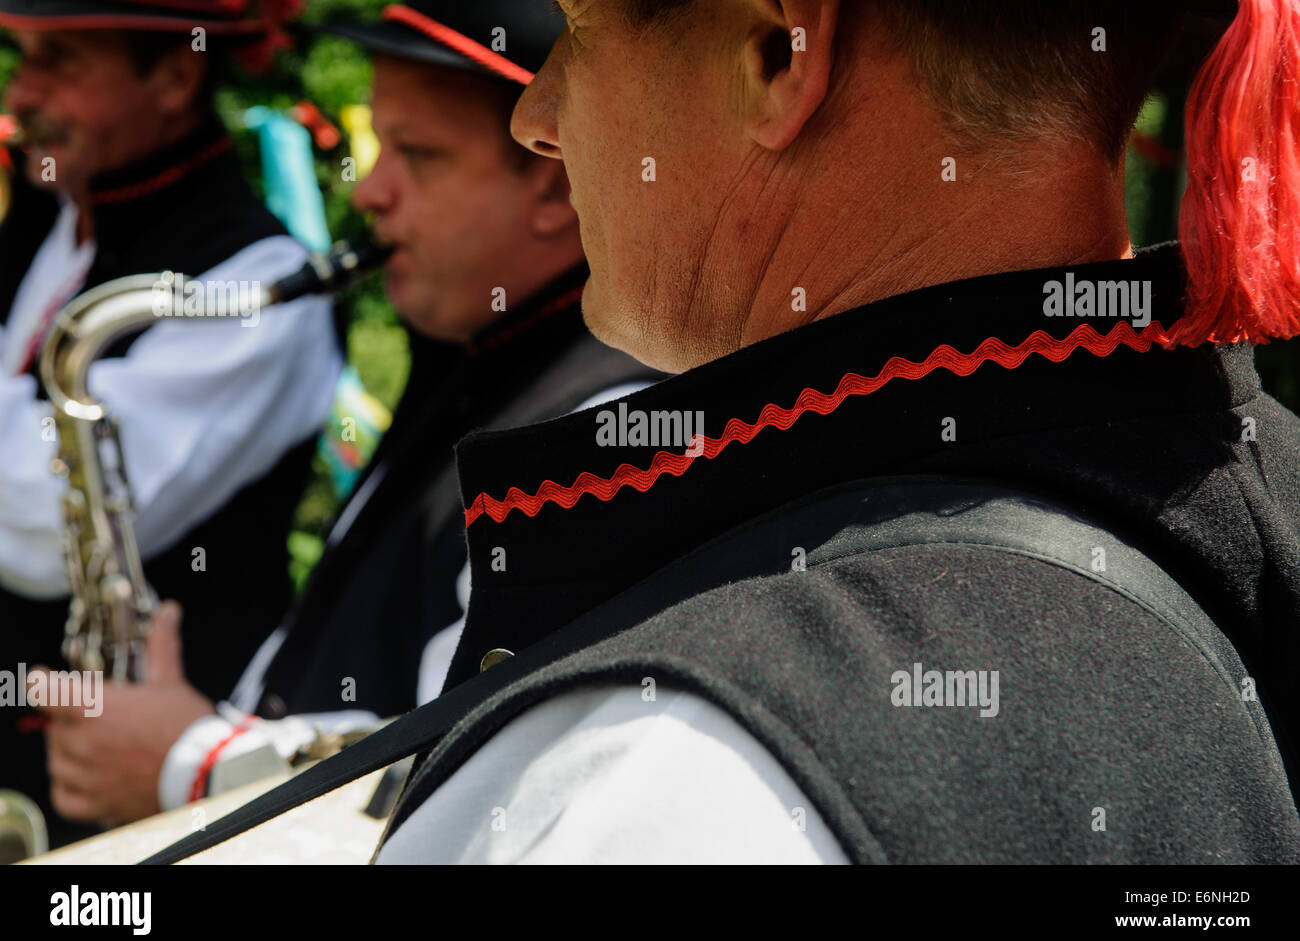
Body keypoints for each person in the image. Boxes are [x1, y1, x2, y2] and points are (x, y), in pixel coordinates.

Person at [371, 0, 1300, 863]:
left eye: (578, 24)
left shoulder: (669, 771)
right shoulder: (1265, 493)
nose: (535, 113)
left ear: (782, 52)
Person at [34, 0, 657, 831]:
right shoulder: (471, 355)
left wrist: (194, 760)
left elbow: (479, 773)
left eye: (417, 155)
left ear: (554, 182)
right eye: (376, 144)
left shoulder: (596, 424)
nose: (368, 193)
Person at [0, 0, 339, 846]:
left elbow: (38, 526)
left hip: (129, 811)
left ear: (179, 74)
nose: (23, 93)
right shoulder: (49, 210)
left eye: (62, 63)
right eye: (24, 57)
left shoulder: (259, 282)